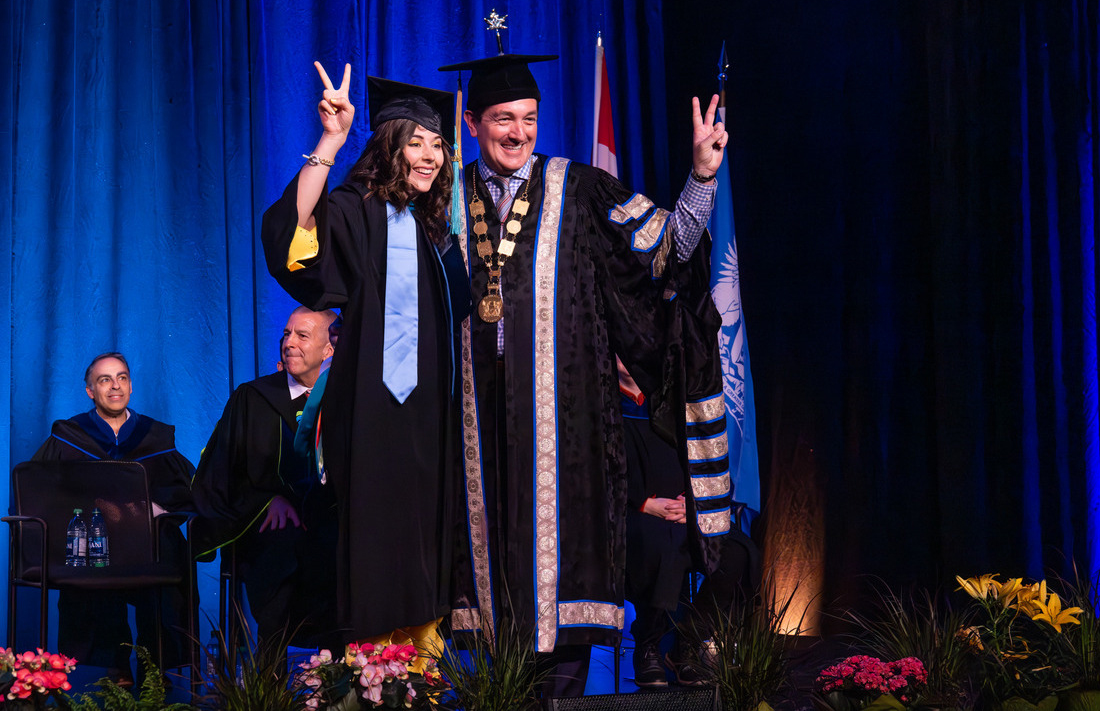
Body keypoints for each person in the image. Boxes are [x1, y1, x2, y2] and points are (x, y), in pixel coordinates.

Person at [435, 48, 735, 696]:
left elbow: (666, 250)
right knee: (488, 617)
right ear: (471, 121)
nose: (518, 132)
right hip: (472, 440)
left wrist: (702, 177)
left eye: (530, 119)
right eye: (502, 119)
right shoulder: (441, 200)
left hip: (567, 439)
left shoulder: (580, 189)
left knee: (563, 604)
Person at [260, 65, 471, 648]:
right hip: (370, 404)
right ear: (388, 149)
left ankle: (420, 672)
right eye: (416, 144)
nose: (430, 157)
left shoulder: (441, 231)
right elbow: (292, 235)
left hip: (432, 409)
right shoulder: (355, 210)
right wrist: (330, 140)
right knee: (373, 531)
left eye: (438, 146)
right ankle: (368, 668)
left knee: (427, 533)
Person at [31, 352, 195, 685]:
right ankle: (114, 664)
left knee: (170, 552)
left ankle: (156, 666)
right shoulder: (69, 436)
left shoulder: (156, 437)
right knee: (94, 553)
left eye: (121, 378)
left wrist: (157, 510)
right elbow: (45, 491)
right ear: (90, 390)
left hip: (148, 543)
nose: (115, 386)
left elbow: (182, 491)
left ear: (131, 386)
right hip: (94, 543)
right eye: (105, 380)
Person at [190, 306, 340, 647]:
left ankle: (340, 677)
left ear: (328, 349)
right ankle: (271, 680)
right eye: (287, 334)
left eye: (302, 335)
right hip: (266, 524)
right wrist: (265, 500)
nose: (289, 342)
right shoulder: (253, 398)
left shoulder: (345, 398)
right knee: (281, 545)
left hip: (332, 521)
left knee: (345, 548)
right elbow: (223, 471)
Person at [619, 363, 758, 688]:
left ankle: (688, 643)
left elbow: (702, 456)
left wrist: (693, 504)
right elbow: (596, 467)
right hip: (632, 512)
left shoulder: (671, 399)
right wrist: (642, 502)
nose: (625, 359)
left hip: (686, 509)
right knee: (667, 544)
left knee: (736, 551)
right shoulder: (601, 400)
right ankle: (648, 644)